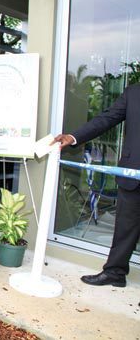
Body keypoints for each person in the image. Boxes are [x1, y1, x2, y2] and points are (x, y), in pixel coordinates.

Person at [53, 83, 140, 288]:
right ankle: (115, 273)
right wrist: (73, 137)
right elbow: (106, 119)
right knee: (125, 228)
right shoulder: (134, 92)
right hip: (131, 173)